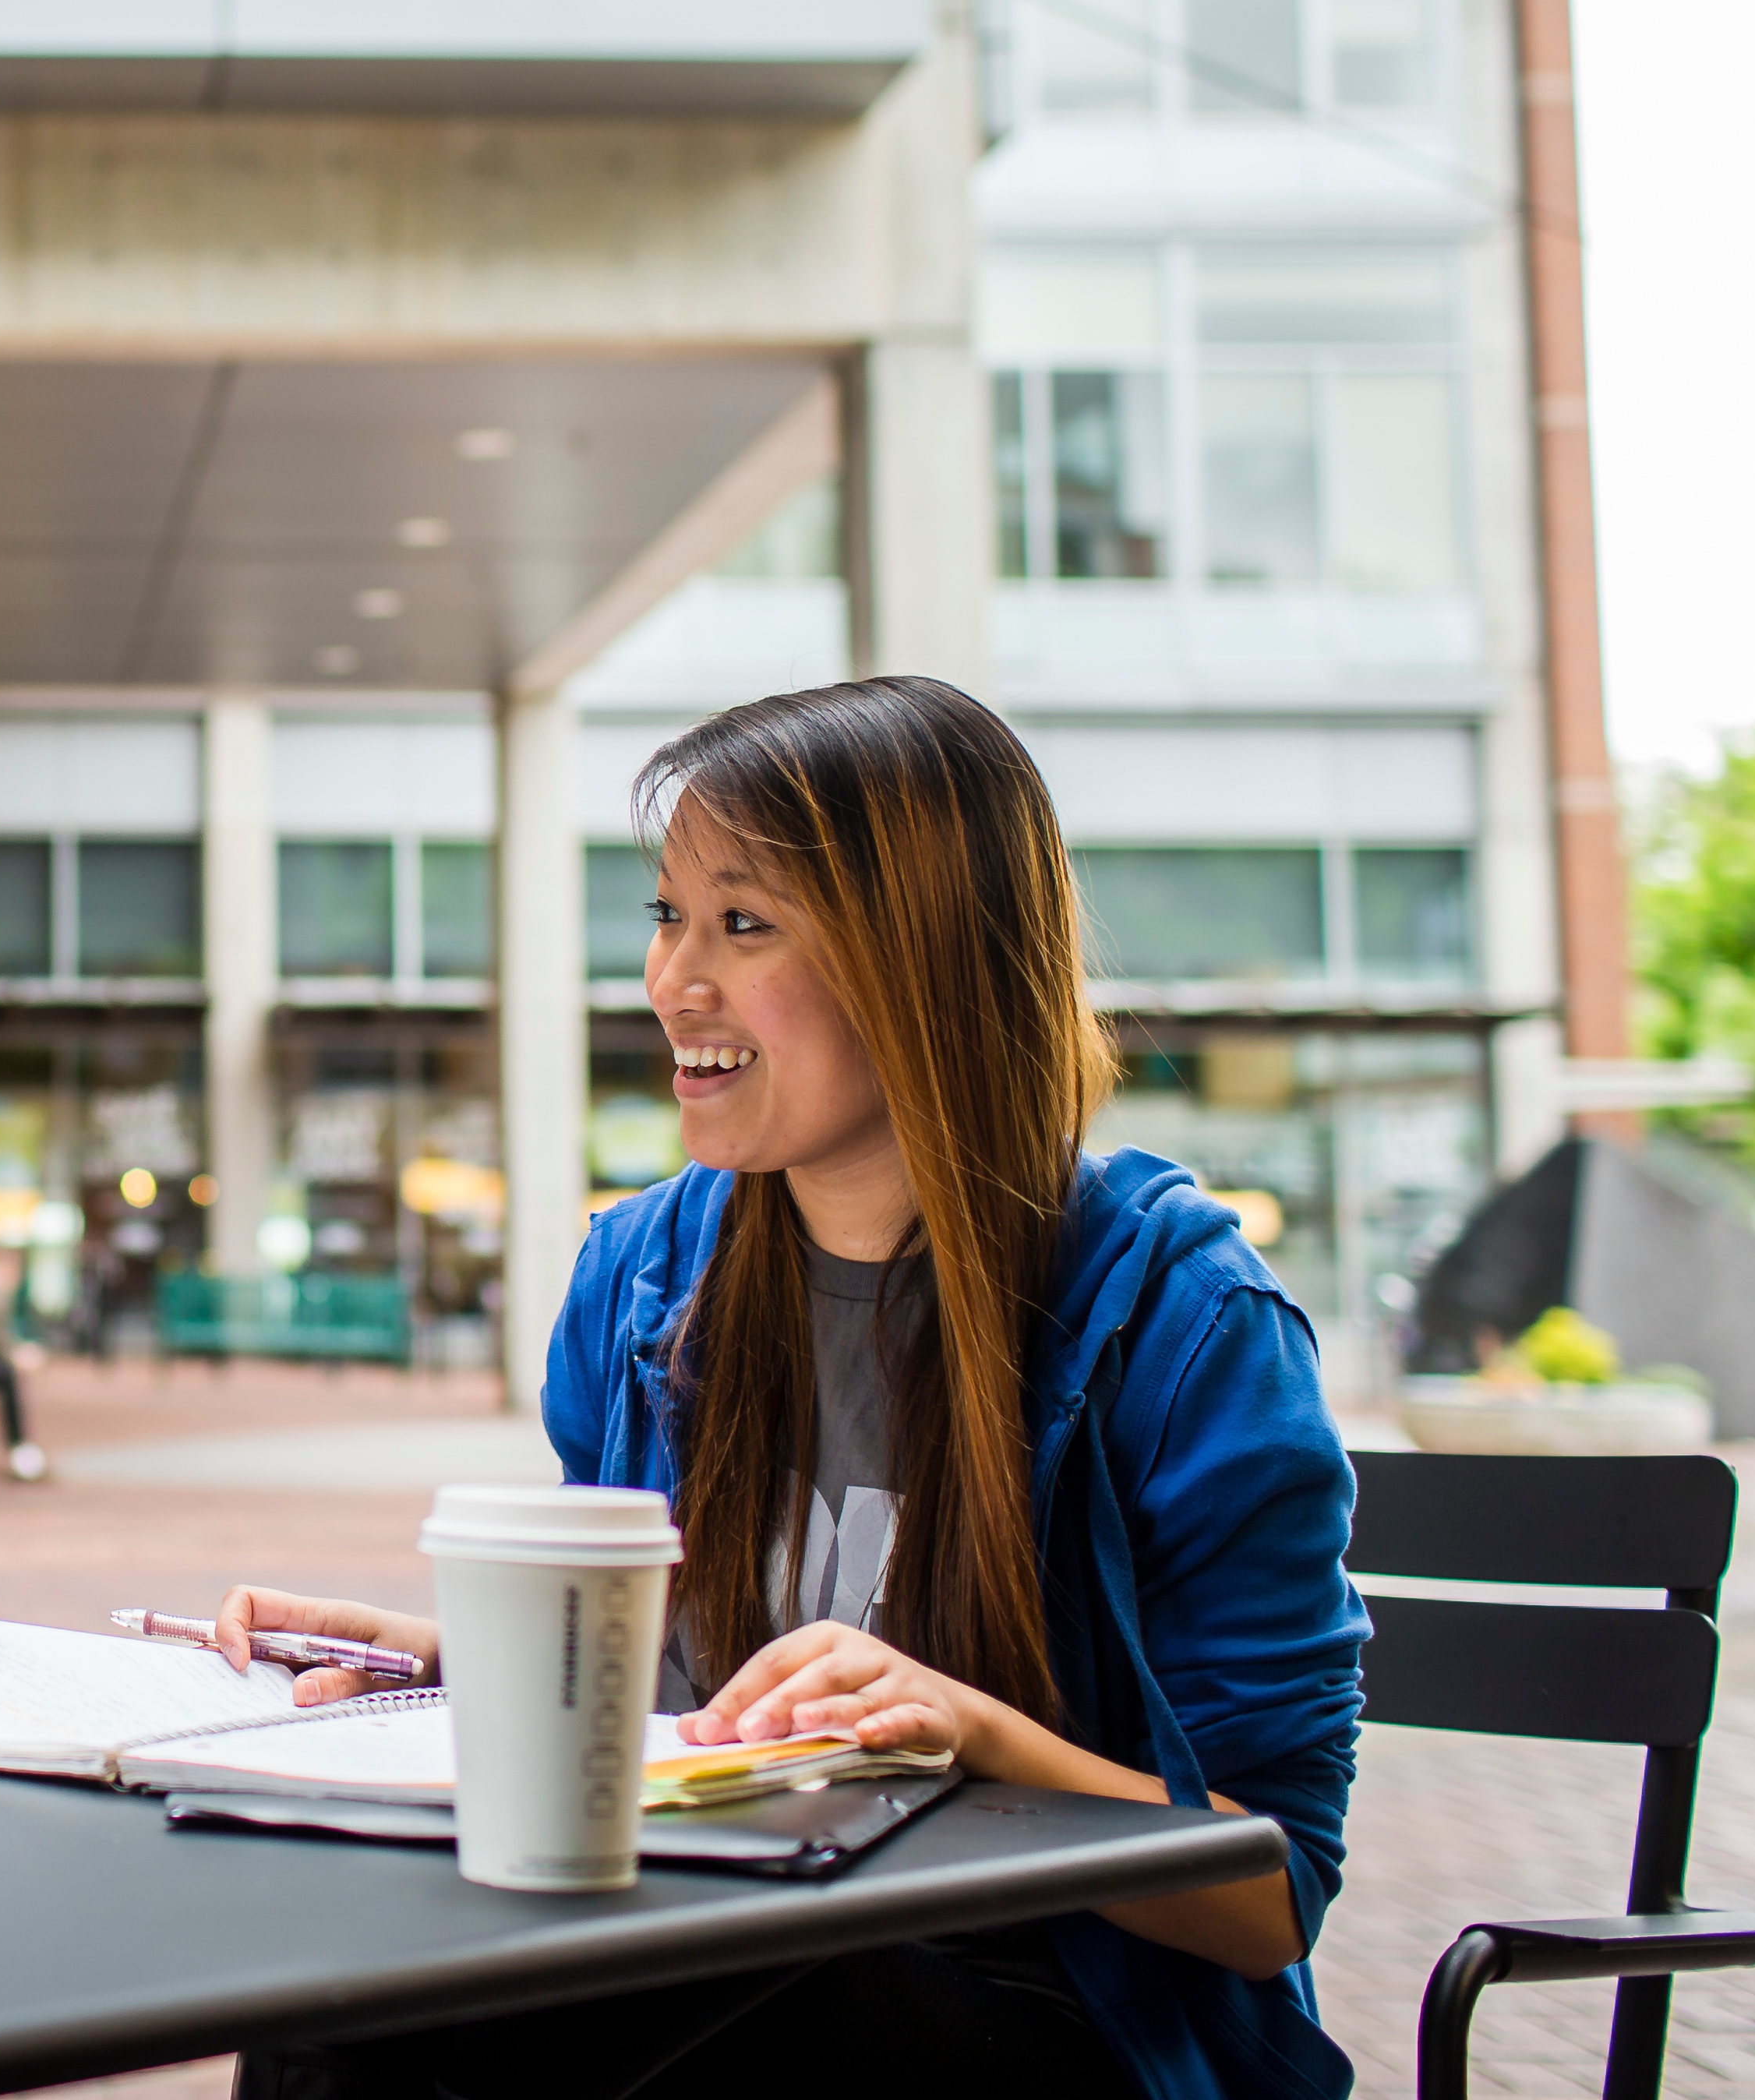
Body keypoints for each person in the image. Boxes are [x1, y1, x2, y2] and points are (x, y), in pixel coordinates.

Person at [213, 676, 1367, 2100]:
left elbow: (1268, 1896)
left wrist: (976, 1738)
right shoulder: (644, 1277)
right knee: (343, 1975)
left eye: (743, 923)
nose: (672, 980)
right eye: (665, 915)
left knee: (674, 2021)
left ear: (926, 959)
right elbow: (688, 1711)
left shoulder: (1179, 1325)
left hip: (1056, 2016)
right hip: (727, 1940)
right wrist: (470, 1663)